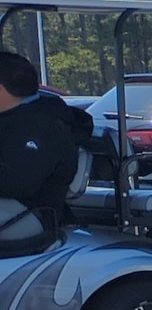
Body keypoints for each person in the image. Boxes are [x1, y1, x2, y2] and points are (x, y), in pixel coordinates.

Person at [0, 49, 91, 253]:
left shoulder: (42, 124)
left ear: (3, 89)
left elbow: (18, 182)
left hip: (30, 213)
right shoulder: (13, 118)